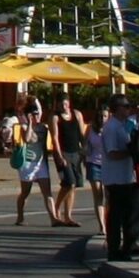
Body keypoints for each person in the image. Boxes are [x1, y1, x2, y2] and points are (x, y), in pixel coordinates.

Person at [98, 94, 139, 259]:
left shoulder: (125, 125)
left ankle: (129, 244)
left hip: (127, 177)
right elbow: (112, 153)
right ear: (117, 108)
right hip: (116, 179)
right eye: (125, 106)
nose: (128, 109)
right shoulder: (112, 127)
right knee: (117, 216)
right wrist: (131, 152)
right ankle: (114, 249)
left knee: (131, 213)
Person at [12, 101, 59, 226]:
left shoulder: (43, 127)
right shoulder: (24, 127)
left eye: (38, 114)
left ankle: (53, 218)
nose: (37, 117)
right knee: (25, 193)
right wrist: (29, 123)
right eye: (34, 114)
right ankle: (20, 216)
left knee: (47, 192)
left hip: (40, 163)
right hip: (27, 164)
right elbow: (27, 139)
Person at [50, 95, 86, 227]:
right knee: (69, 182)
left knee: (74, 185)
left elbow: (81, 134)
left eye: (65, 104)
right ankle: (57, 208)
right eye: (60, 105)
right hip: (63, 152)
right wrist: (59, 156)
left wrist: (85, 151)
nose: (63, 107)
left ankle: (68, 216)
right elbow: (55, 137)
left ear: (69, 103)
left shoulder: (77, 114)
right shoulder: (55, 118)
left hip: (76, 152)